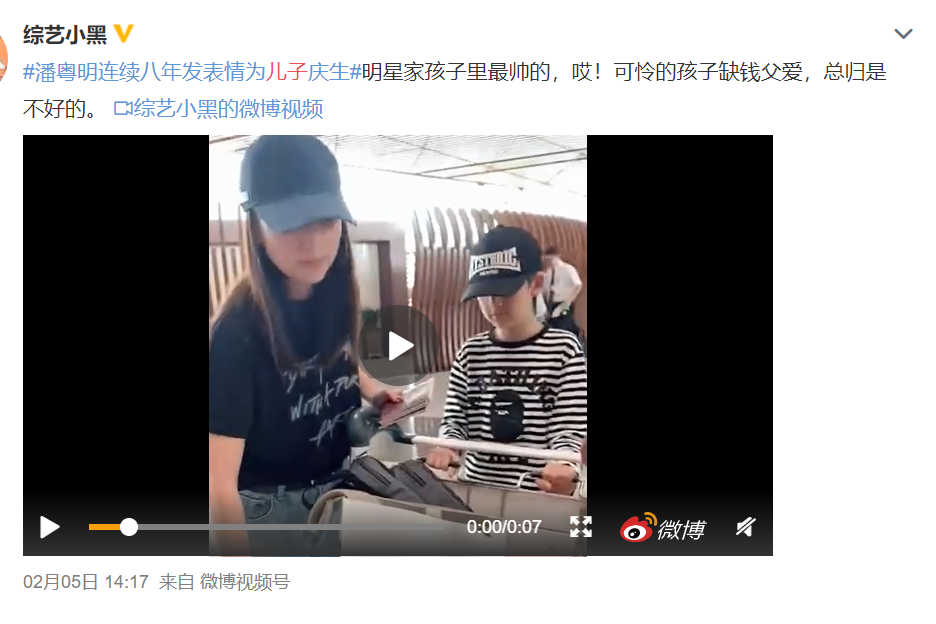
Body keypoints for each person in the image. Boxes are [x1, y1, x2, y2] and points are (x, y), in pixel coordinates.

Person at [209, 135, 401, 556]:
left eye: (325, 221)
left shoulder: (333, 297)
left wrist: (374, 391)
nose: (311, 242)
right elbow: (218, 487)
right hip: (269, 513)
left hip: (338, 491)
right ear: (256, 228)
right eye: (290, 223)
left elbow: (339, 359)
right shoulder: (235, 334)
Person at [427, 226, 587, 495]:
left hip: (536, 495)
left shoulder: (564, 350)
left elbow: (569, 429)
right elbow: (455, 421)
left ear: (535, 284)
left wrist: (564, 464)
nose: (493, 304)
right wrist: (447, 446)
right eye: (484, 294)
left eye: (505, 292)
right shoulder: (470, 352)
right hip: (474, 491)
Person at [542, 245, 583, 339]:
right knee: (553, 329)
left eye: (550, 259)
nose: (549, 262)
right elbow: (545, 290)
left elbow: (578, 285)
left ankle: (576, 335)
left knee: (564, 326)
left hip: (563, 302)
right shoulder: (548, 272)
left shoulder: (568, 269)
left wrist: (567, 302)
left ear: (557, 257)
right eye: (547, 260)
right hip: (551, 304)